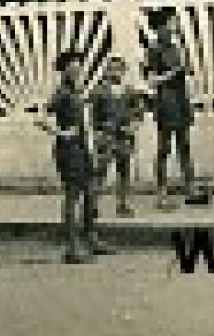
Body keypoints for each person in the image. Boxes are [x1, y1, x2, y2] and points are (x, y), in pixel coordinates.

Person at [38, 48, 109, 263]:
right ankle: (72, 247)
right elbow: (42, 117)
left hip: (82, 147)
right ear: (64, 68)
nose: (77, 67)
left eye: (79, 63)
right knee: (73, 196)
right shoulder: (62, 93)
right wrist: (62, 133)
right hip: (69, 150)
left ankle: (91, 238)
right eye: (72, 64)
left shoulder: (77, 91)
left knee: (90, 193)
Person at [142, 15, 208, 207]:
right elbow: (152, 80)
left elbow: (184, 70)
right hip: (166, 99)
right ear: (161, 26)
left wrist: (184, 72)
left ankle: (190, 187)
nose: (174, 26)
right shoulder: (153, 49)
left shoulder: (176, 46)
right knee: (164, 147)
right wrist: (173, 73)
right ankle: (161, 191)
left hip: (180, 97)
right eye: (171, 23)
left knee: (185, 145)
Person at [88, 55, 145, 218]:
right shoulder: (99, 91)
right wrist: (98, 133)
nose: (115, 72)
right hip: (106, 136)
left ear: (124, 71)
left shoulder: (129, 91)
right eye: (112, 69)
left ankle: (122, 204)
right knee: (100, 172)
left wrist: (133, 126)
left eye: (119, 69)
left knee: (124, 171)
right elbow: (93, 115)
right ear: (106, 71)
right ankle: (92, 205)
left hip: (124, 137)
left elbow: (139, 112)